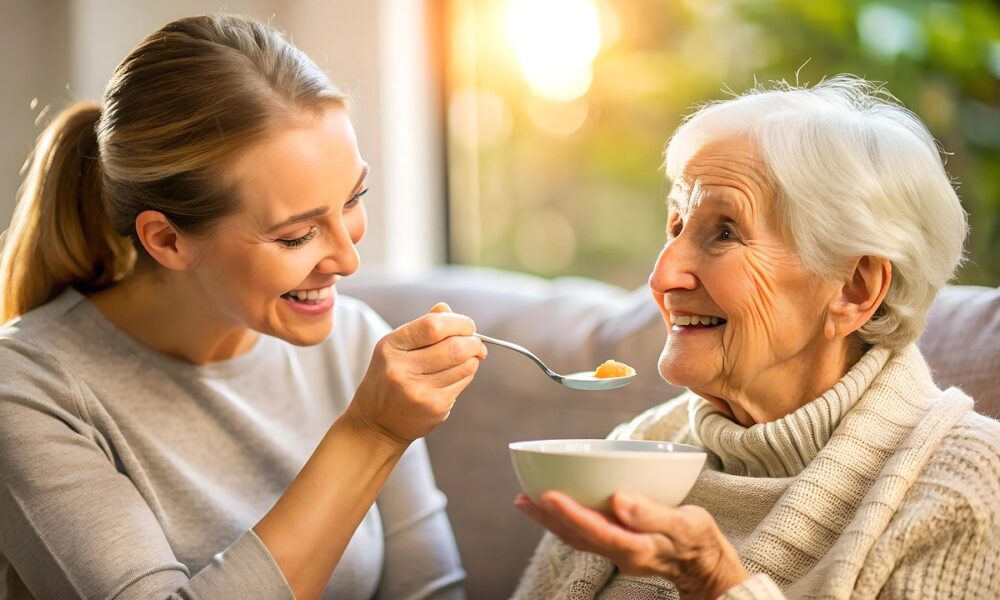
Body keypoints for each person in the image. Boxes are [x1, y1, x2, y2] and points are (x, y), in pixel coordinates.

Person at [0, 14, 487, 600]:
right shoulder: (27, 390)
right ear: (168, 240)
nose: (348, 260)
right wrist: (372, 434)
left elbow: (431, 594)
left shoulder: (357, 344)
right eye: (295, 236)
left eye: (353, 198)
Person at [512, 76, 1000, 599]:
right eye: (676, 226)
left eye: (725, 231)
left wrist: (718, 583)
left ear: (855, 288)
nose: (662, 276)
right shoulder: (639, 447)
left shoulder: (966, 488)